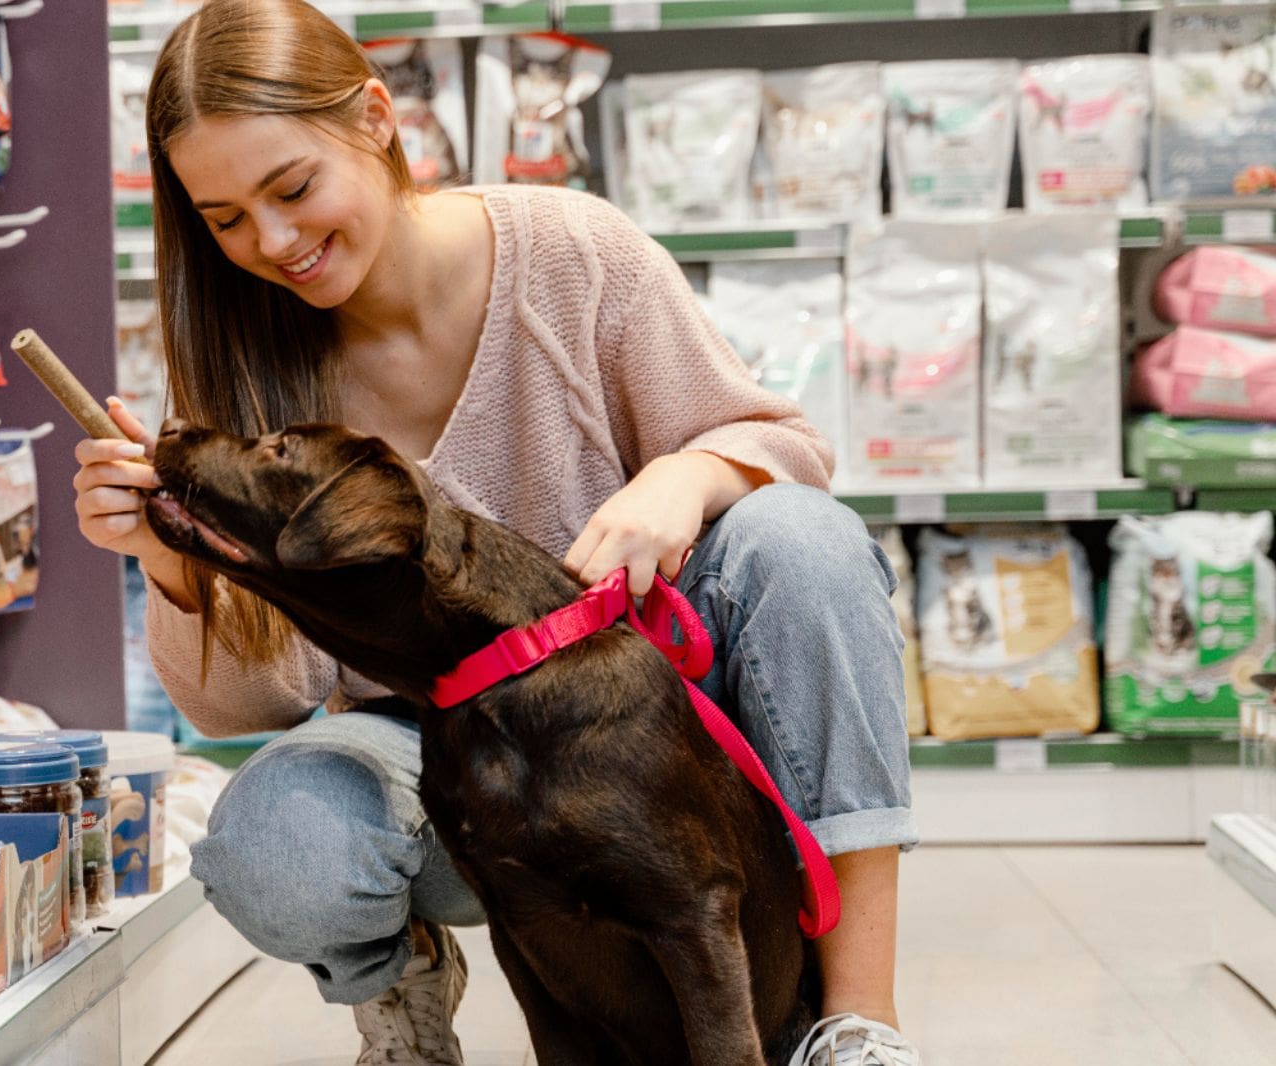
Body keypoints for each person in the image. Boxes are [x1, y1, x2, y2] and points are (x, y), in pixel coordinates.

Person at [72, 2, 919, 1063]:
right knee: (277, 847)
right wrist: (174, 564)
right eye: (227, 218)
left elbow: (784, 446)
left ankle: (858, 1027)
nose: (273, 242)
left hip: (650, 736)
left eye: (291, 188)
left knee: (805, 540)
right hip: (442, 759)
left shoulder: (572, 254)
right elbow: (262, 700)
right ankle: (406, 990)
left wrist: (688, 472)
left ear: (376, 118)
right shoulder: (246, 372)